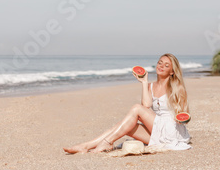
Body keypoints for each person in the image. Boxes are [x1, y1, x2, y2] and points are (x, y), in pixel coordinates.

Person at [63, 53, 191, 154]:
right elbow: (146, 106)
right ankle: (85, 146)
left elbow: (184, 114)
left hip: (171, 131)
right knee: (125, 126)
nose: (161, 66)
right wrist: (144, 82)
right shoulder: (150, 86)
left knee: (136, 108)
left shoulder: (177, 88)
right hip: (156, 129)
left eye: (166, 65)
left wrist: (182, 119)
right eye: (160, 62)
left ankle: (107, 142)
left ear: (172, 72)